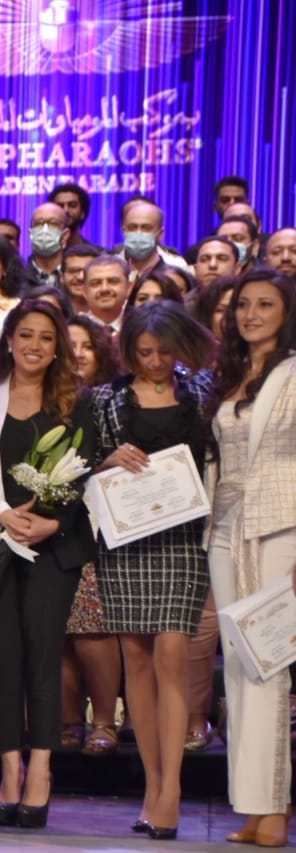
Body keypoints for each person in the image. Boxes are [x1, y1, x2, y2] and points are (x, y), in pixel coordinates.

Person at [90, 300, 216, 839]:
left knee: (171, 656)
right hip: (125, 542)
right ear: (129, 350)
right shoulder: (106, 399)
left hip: (183, 541)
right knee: (136, 663)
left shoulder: (202, 392)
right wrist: (107, 460)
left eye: (165, 351)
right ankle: (152, 784)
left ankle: (173, 790)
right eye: (145, 352)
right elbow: (82, 466)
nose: (156, 361)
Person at [0, 300, 97, 829]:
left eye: (46, 338)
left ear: (57, 348)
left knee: (43, 659)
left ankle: (41, 769)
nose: (34, 346)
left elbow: (85, 472)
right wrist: (2, 514)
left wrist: (54, 523)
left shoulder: (76, 402)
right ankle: (9, 771)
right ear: (9, 340)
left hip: (53, 550)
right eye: (25, 335)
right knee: (2, 660)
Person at [205, 270, 296, 847]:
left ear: (287, 314)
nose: (252, 314)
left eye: (266, 304)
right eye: (243, 304)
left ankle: (274, 807)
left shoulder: (294, 373)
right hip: (225, 528)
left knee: (269, 665)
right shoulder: (231, 374)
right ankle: (256, 805)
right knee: (240, 668)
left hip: (281, 526)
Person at [59, 315, 124, 756]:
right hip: (47, 525)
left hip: (98, 527)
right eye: (70, 346)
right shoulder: (43, 399)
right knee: (56, 631)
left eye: (86, 346)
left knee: (89, 627)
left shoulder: (111, 400)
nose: (78, 354)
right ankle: (66, 720)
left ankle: (103, 721)